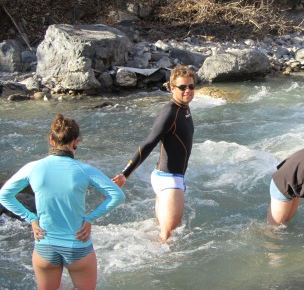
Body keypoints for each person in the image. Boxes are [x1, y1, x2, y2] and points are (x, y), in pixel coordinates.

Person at [0, 114, 125, 290]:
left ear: (51, 140)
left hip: (45, 246)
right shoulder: (84, 170)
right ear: (76, 141)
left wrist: (31, 219)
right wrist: (90, 219)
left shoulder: (33, 167)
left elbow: (4, 195)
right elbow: (118, 196)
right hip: (77, 247)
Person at [112, 65, 196, 242]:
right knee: (168, 238)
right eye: (182, 87)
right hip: (170, 181)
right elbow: (148, 143)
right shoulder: (170, 112)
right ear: (172, 88)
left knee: (161, 234)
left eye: (191, 86)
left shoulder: (184, 108)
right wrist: (125, 174)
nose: (187, 91)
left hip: (168, 177)